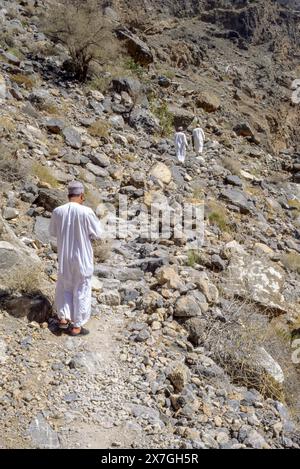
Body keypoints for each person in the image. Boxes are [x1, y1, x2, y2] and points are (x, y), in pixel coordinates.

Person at [49, 181, 102, 336]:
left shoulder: (58, 211)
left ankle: (63, 319)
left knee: (65, 286)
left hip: (64, 256)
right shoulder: (87, 212)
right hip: (82, 257)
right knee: (82, 288)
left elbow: (53, 232)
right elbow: (98, 233)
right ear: (82, 196)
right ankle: (77, 326)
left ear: (68, 195)